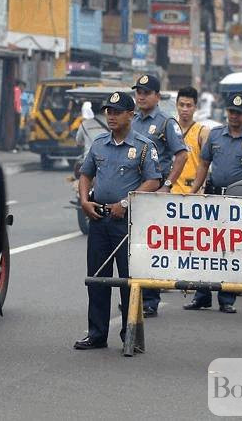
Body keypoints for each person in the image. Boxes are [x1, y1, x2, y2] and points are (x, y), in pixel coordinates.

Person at [73, 91, 161, 350]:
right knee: (97, 279)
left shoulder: (143, 147)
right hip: (99, 218)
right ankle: (97, 334)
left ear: (130, 115)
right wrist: (84, 201)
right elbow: (85, 174)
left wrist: (125, 202)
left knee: (129, 282)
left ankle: (130, 336)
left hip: (127, 223)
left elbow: (153, 181)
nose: (111, 116)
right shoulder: (99, 144)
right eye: (108, 111)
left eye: (116, 111)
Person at [184, 93, 242, 313]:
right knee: (206, 246)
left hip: (239, 202)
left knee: (231, 249)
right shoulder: (215, 135)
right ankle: (201, 295)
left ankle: (226, 298)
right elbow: (203, 164)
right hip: (213, 197)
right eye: (231, 111)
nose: (233, 116)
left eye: (238, 113)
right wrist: (194, 192)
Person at [131, 74, 188, 317]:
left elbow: (182, 155)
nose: (141, 96)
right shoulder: (130, 119)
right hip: (134, 192)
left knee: (149, 246)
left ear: (157, 96)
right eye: (138, 92)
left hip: (154, 193)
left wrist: (167, 185)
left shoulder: (166, 122)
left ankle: (150, 300)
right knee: (132, 247)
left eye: (146, 92)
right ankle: (134, 294)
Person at [170, 86, 210, 195]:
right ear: (176, 105)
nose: (184, 109)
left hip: (192, 192)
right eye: (181, 105)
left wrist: (201, 189)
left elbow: (205, 164)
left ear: (195, 107)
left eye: (189, 105)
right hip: (169, 191)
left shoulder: (202, 132)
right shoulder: (168, 128)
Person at [13, 80, 27, 151]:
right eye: (23, 87)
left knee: (19, 130)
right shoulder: (17, 90)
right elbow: (17, 102)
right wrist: (19, 112)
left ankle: (17, 145)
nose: (24, 89)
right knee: (18, 130)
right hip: (17, 114)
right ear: (20, 85)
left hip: (18, 114)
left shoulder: (17, 91)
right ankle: (16, 145)